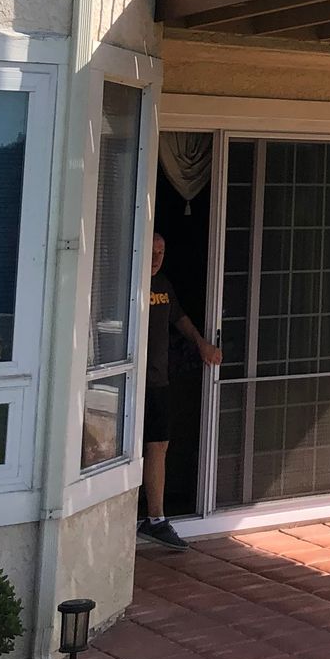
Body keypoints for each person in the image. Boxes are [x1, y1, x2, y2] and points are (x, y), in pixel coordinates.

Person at [139, 232, 219, 551]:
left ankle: (155, 519)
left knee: (158, 444)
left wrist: (201, 343)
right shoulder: (126, 281)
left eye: (162, 251)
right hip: (126, 380)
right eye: (152, 251)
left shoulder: (163, 286)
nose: (157, 258)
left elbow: (180, 319)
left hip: (158, 381)